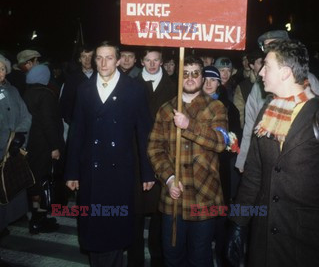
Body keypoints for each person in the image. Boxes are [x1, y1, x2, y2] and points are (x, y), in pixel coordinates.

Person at [227, 39, 319, 267]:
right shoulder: (266, 114)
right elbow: (253, 175)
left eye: (267, 66)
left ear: (286, 73)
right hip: (264, 236)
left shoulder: (315, 114)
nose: (259, 73)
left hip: (304, 239)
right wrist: (238, 223)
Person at [65, 41, 155, 267]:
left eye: (109, 57)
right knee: (93, 228)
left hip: (120, 170)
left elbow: (144, 133)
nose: (103, 63)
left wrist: (147, 172)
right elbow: (77, 132)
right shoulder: (84, 89)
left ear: (118, 60)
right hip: (91, 170)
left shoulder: (134, 89)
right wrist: (72, 171)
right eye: (99, 58)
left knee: (114, 229)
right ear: (94, 61)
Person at [147, 56, 228, 267]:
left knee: (200, 257)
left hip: (205, 194)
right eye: (185, 73)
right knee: (172, 256)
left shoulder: (216, 107)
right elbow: (155, 149)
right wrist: (169, 178)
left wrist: (189, 125)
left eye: (195, 74)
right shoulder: (165, 109)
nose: (190, 78)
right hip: (174, 196)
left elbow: (220, 142)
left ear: (202, 78)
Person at [235, 29, 319, 172]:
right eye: (265, 48)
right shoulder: (260, 86)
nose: (269, 51)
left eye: (273, 46)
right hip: (266, 159)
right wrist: (243, 161)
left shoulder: (309, 81)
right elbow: (251, 125)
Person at [128, 49, 176, 267]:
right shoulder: (130, 84)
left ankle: (158, 258)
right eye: (148, 60)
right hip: (136, 155)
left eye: (156, 60)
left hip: (163, 154)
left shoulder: (173, 86)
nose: (152, 64)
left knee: (160, 210)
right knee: (135, 210)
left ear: (162, 62)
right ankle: (135, 260)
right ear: (142, 61)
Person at [202, 65, 241, 267]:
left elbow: (235, 141)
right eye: (205, 79)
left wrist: (227, 142)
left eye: (213, 79)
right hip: (197, 170)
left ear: (219, 82)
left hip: (220, 169)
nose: (208, 83)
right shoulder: (191, 103)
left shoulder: (229, 107)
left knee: (219, 218)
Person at [23, 64, 65, 234]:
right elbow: (49, 123)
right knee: (41, 182)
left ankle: (38, 216)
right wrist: (55, 146)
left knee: (35, 181)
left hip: (32, 143)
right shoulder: (46, 95)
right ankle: (37, 220)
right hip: (44, 145)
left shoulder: (27, 93)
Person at [0, 55, 32, 239]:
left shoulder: (12, 91)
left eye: (2, 68)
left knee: (7, 191)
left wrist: (19, 134)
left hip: (10, 152)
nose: (0, 72)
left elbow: (26, 115)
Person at [59, 45, 94, 125]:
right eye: (84, 56)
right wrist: (70, 121)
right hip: (77, 122)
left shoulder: (101, 76)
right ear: (79, 59)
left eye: (90, 56)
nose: (87, 60)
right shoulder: (72, 78)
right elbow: (65, 102)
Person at [233, 50, 264, 128]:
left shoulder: (274, 83)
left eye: (265, 63)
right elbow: (240, 116)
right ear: (252, 66)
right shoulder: (243, 87)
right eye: (261, 63)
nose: (264, 66)